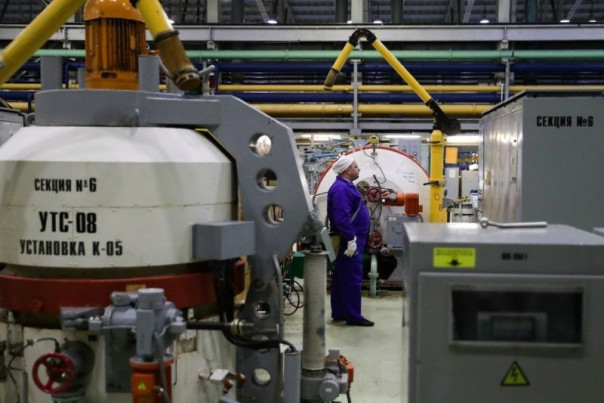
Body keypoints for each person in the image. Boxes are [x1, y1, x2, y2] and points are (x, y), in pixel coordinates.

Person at [327, 155, 374, 327]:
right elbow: (341, 216)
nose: (358, 169)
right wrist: (350, 239)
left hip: (352, 238)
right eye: (355, 166)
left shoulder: (346, 186)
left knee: (342, 276)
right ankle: (353, 316)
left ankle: (340, 312)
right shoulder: (341, 189)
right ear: (347, 170)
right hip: (350, 241)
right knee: (352, 278)